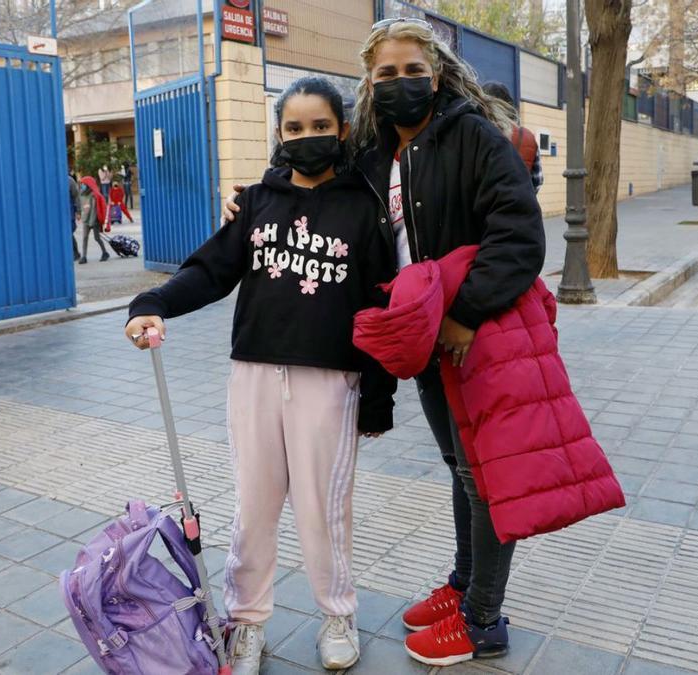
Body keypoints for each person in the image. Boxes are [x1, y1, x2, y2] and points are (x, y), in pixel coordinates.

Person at [225, 18, 545, 668]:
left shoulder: (474, 138)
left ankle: (483, 619)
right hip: (423, 341)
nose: (401, 83)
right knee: (461, 468)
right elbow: (305, 166)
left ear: (438, 71)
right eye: (386, 74)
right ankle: (463, 586)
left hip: (475, 337)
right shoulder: (373, 147)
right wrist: (249, 199)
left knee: (488, 477)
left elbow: (519, 237)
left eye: (412, 70)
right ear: (370, 84)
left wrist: (465, 314)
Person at [124, 76, 397, 675]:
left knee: (324, 509)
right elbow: (210, 269)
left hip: (331, 381)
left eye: (320, 127)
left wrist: (379, 396)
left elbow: (381, 305)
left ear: (343, 129)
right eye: (294, 128)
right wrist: (152, 302)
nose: (307, 138)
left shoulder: (363, 205)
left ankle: (337, 614)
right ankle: (246, 623)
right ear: (279, 134)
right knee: (253, 506)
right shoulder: (255, 203)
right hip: (253, 375)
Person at [481, 81, 543, 193]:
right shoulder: (528, 137)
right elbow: (537, 182)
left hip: (484, 208)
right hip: (522, 206)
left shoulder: (474, 133)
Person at [77, 175, 110, 264]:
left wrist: (92, 222)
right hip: (85, 220)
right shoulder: (81, 195)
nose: (82, 186)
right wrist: (79, 214)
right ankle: (84, 257)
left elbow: (94, 210)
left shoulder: (93, 196)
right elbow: (81, 206)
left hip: (94, 220)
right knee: (84, 238)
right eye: (81, 184)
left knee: (97, 238)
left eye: (84, 184)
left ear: (88, 185)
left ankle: (105, 252)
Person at [69, 174, 81, 261]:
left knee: (69, 233)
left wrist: (78, 211)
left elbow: (76, 196)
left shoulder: (70, 181)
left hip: (69, 213)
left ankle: (76, 253)